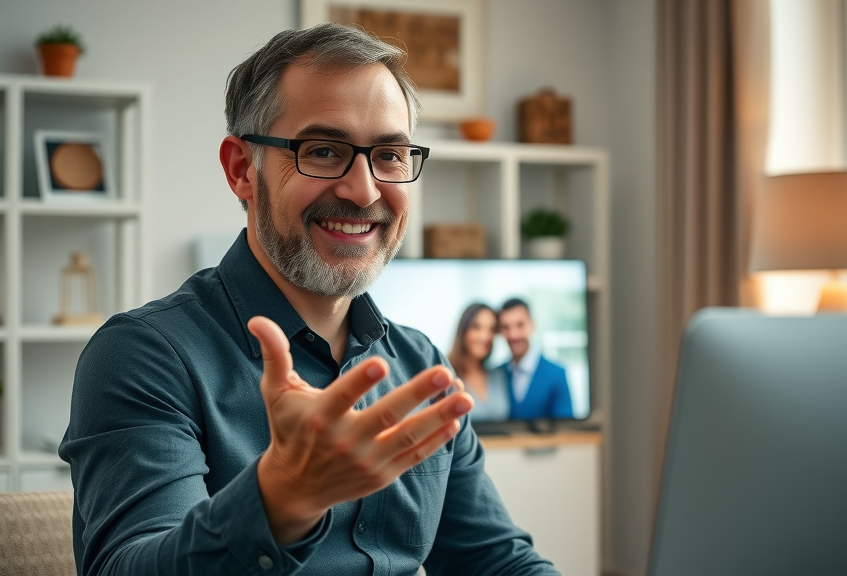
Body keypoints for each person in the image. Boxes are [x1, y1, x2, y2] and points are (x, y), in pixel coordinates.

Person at [58, 23, 559, 576]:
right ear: (242, 169)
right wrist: (282, 498)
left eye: (390, 156)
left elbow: (497, 562)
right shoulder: (144, 357)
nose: (364, 190)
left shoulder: (421, 367)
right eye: (323, 151)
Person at [497, 297, 574, 420]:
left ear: (532, 325)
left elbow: (566, 429)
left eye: (520, 325)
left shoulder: (557, 373)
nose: (513, 334)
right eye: (506, 327)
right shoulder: (497, 374)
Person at [447, 303, 509, 421]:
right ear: (463, 331)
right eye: (476, 327)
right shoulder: (447, 378)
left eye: (491, 329)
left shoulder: (499, 375)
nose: (485, 336)